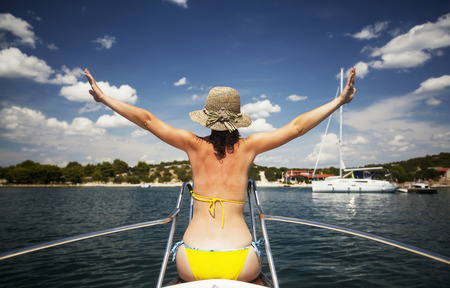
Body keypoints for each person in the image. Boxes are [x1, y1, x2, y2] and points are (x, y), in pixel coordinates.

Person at [85, 67, 356, 282]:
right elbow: (297, 127)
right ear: (237, 119)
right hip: (241, 261)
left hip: (192, 260)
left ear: (207, 119)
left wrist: (104, 97)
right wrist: (339, 101)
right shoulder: (250, 147)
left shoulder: (192, 144)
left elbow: (147, 120)